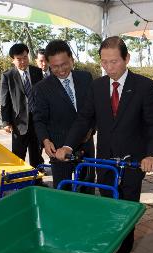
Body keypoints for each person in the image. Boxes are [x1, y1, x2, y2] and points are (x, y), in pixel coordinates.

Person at [56, 36, 153, 253]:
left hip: (133, 162)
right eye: (104, 62)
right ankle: (108, 249)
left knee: (126, 210)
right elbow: (84, 119)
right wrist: (67, 145)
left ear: (127, 58)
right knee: (107, 208)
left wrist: (151, 154)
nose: (108, 67)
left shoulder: (144, 86)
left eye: (113, 61)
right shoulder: (97, 86)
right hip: (105, 161)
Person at [33, 39, 95, 189]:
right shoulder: (41, 88)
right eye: (55, 66)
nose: (61, 70)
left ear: (72, 60)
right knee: (62, 191)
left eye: (64, 64)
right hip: (58, 148)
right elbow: (39, 119)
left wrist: (92, 129)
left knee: (87, 189)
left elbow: (94, 109)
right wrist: (45, 140)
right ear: (48, 64)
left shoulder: (86, 78)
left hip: (85, 145)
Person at [0, 43, 44, 168]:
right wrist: (6, 122)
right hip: (19, 123)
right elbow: (5, 101)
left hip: (37, 121)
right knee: (18, 156)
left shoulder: (37, 72)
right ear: (12, 60)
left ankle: (37, 181)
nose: (23, 61)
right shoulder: (7, 76)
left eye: (25, 57)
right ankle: (19, 182)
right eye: (19, 59)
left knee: (37, 155)